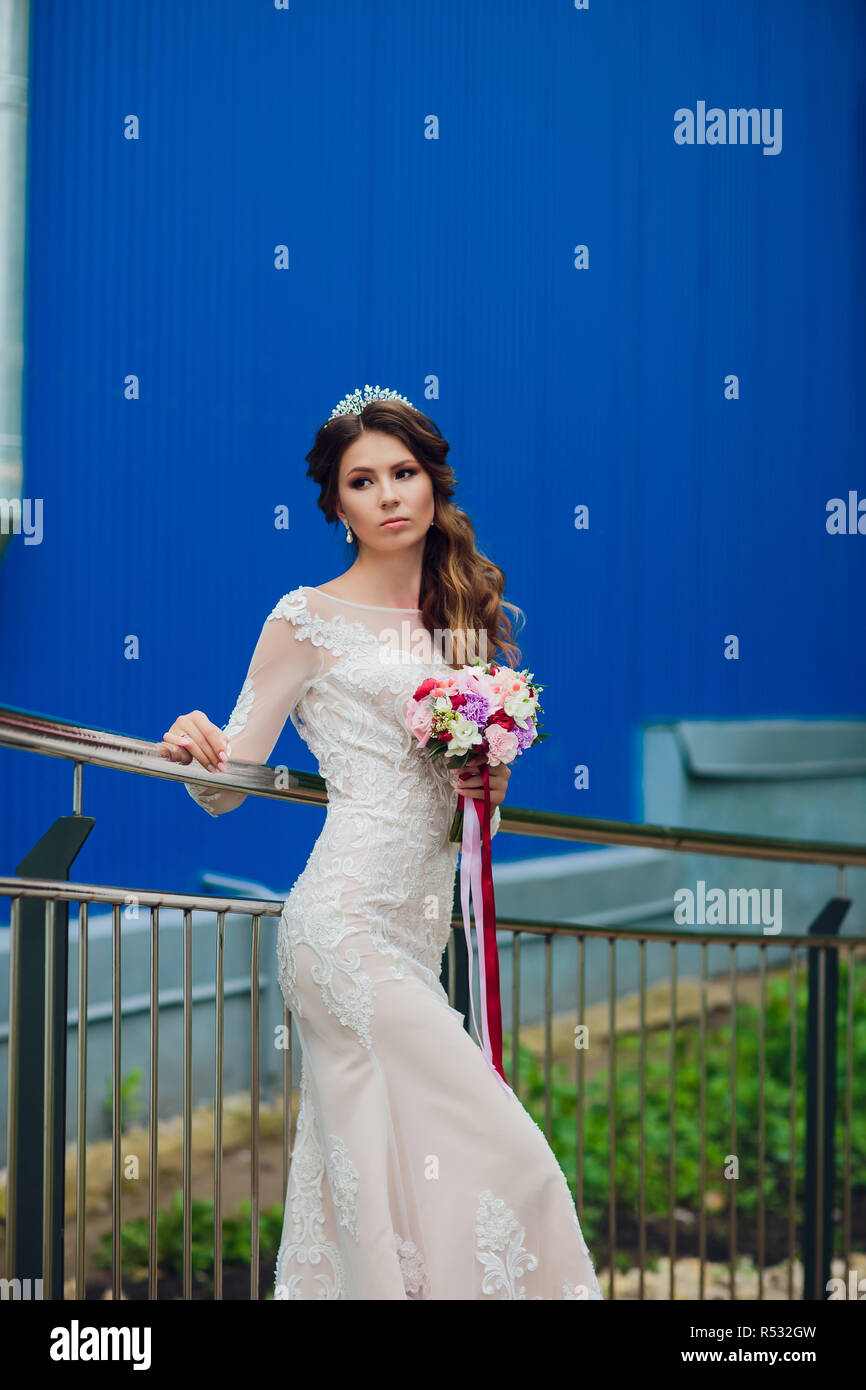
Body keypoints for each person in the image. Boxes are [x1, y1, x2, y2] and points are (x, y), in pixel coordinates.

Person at [159, 386, 603, 1300]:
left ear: (434, 483)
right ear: (337, 505)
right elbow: (227, 786)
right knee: (507, 1149)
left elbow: (472, 814)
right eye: (364, 481)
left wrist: (492, 788)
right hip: (344, 930)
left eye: (405, 473)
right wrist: (192, 745)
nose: (390, 495)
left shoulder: (464, 619)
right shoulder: (303, 618)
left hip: (416, 930)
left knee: (379, 1170)